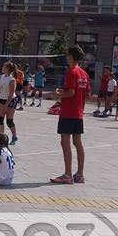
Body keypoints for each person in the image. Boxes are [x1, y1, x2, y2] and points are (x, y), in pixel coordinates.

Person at [51, 45, 89, 184]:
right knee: (78, 142)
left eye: (67, 55)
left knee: (65, 142)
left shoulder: (71, 72)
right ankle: (80, 174)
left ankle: (67, 175)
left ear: (71, 56)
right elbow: (86, 94)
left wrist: (58, 94)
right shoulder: (84, 74)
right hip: (78, 113)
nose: (66, 57)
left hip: (68, 112)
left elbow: (71, 93)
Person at [0, 61, 19, 144]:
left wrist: (6, 105)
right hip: (2, 99)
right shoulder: (2, 77)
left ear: (8, 68)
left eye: (4, 66)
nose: (2, 67)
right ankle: (1, 140)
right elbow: (0, 90)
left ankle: (14, 137)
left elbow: (11, 94)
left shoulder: (12, 79)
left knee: (9, 121)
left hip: (11, 100)